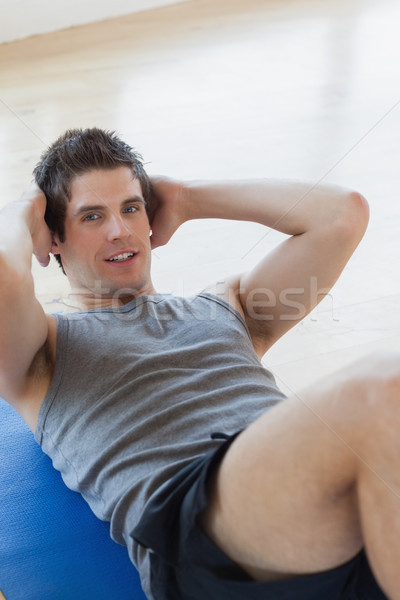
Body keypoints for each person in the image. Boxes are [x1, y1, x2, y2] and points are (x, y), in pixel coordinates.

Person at [0, 127, 392, 600]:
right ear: (54, 238)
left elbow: (343, 213)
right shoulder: (43, 352)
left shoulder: (229, 305)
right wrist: (26, 208)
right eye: (91, 216)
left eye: (130, 207)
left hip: (312, 524)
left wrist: (186, 199)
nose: (119, 230)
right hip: (193, 530)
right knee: (380, 390)